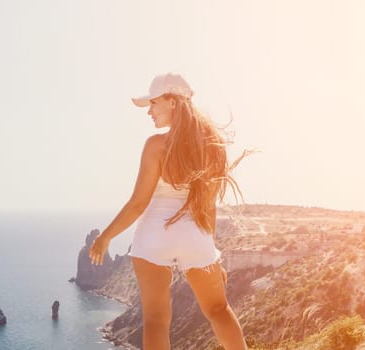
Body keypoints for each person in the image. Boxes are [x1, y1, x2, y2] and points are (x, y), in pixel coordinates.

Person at [89, 73, 251, 350]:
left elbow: (138, 203)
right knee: (218, 310)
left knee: (155, 321)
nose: (149, 111)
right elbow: (206, 206)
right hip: (194, 235)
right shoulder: (213, 146)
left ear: (173, 101)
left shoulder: (155, 145)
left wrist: (105, 237)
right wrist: (212, 254)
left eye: (153, 103)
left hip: (153, 236)